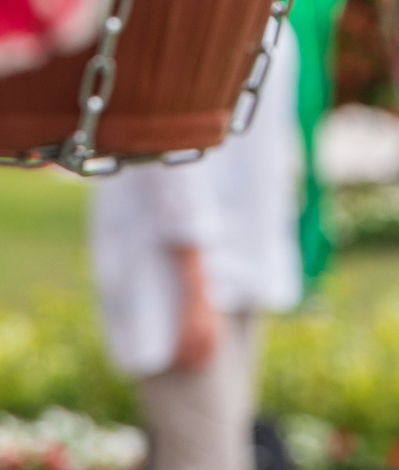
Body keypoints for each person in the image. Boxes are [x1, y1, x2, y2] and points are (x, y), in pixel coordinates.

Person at [90, 32, 304, 470]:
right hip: (181, 271)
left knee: (204, 448)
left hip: (237, 266)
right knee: (207, 457)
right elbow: (170, 154)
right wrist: (194, 285)